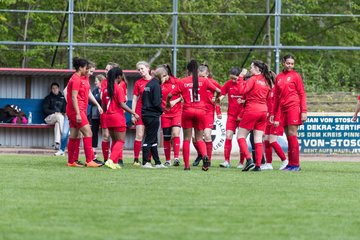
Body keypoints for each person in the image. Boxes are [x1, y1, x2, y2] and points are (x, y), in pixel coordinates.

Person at [166, 60, 221, 171]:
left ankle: (187, 166)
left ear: (188, 71)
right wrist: (217, 100)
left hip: (187, 111)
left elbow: (170, 94)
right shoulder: (204, 81)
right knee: (200, 138)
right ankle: (205, 156)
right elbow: (218, 90)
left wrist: (168, 103)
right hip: (201, 111)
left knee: (187, 139)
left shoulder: (183, 81)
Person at [271, 54, 307, 171]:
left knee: (292, 135)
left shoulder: (296, 76)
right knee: (288, 136)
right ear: (283, 63)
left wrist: (303, 111)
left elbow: (302, 93)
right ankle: (290, 164)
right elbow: (276, 97)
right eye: (288, 63)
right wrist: (273, 113)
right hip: (283, 109)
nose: (290, 65)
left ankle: (296, 164)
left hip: (293, 107)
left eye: (292, 63)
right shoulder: (279, 77)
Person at [66, 57, 103, 167]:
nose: (89, 72)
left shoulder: (83, 78)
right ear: (82, 68)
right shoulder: (76, 79)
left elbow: (87, 93)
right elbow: (73, 97)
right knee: (88, 133)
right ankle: (89, 160)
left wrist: (97, 104)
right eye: (88, 69)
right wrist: (77, 113)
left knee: (74, 135)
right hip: (77, 110)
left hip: (77, 109)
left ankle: (71, 161)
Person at [237, 60, 272, 172]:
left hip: (252, 109)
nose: (250, 69)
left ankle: (249, 160)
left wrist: (241, 77)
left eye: (251, 67)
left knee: (240, 136)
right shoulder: (266, 81)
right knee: (257, 138)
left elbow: (242, 90)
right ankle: (258, 165)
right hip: (263, 110)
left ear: (257, 68)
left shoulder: (253, 79)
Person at [102, 67, 139, 169]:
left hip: (108, 117)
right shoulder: (119, 88)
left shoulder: (105, 90)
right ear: (119, 77)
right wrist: (133, 113)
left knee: (114, 140)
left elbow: (104, 106)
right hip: (117, 117)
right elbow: (122, 104)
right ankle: (110, 160)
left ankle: (113, 162)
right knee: (121, 141)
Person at [192, 64, 222, 167]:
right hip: (197, 111)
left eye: (203, 77)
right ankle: (201, 154)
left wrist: (217, 102)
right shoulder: (195, 83)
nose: (202, 79)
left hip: (208, 112)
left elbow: (221, 93)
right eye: (200, 77)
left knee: (207, 135)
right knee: (194, 138)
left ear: (207, 74)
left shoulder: (213, 83)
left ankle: (207, 160)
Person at [218, 67, 247, 168]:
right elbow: (222, 94)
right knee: (228, 136)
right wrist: (218, 99)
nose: (233, 81)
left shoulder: (245, 84)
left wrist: (243, 102)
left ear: (239, 76)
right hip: (231, 115)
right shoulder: (228, 84)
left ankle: (241, 162)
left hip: (242, 116)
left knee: (241, 138)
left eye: (235, 78)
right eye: (231, 78)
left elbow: (248, 99)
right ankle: (226, 161)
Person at [141, 66, 167, 169]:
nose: (165, 79)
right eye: (165, 77)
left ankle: (157, 162)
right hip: (152, 115)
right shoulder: (156, 85)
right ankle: (145, 162)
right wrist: (162, 110)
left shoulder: (149, 84)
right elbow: (156, 102)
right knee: (149, 139)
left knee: (154, 140)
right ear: (162, 75)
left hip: (146, 114)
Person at [262, 71, 288, 170]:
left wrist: (277, 118)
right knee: (266, 141)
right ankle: (269, 163)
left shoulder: (278, 90)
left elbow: (280, 106)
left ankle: (285, 161)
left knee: (272, 141)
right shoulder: (270, 90)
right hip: (269, 119)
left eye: (265, 80)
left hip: (277, 119)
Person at [160, 64, 182, 167]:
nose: (162, 79)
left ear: (166, 74)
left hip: (177, 112)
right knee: (167, 137)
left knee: (175, 134)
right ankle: (168, 160)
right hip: (165, 113)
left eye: (163, 77)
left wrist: (175, 101)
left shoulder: (177, 81)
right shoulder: (158, 83)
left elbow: (183, 95)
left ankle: (176, 158)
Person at [131, 61, 152, 166]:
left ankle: (148, 158)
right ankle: (136, 159)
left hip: (151, 112)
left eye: (142, 68)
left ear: (148, 68)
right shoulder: (138, 83)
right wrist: (133, 113)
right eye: (139, 70)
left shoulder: (155, 81)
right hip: (140, 111)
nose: (140, 71)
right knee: (139, 135)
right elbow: (134, 99)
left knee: (150, 135)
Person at [100, 62, 119, 163]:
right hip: (106, 112)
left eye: (107, 70)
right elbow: (102, 96)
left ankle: (115, 159)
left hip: (117, 113)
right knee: (106, 136)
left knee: (116, 137)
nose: (105, 71)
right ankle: (106, 159)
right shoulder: (104, 82)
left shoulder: (120, 82)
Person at [43, 82, 67, 150]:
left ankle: (57, 144)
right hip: (49, 118)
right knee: (59, 116)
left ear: (59, 89)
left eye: (56, 88)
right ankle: (65, 135)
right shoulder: (48, 98)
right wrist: (55, 112)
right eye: (53, 88)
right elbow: (45, 110)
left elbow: (64, 110)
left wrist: (63, 113)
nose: (54, 89)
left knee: (57, 124)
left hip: (59, 119)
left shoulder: (62, 98)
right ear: (51, 89)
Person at [90, 74, 105, 155]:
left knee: (105, 133)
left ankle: (106, 151)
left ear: (101, 81)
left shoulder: (105, 90)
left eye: (96, 81)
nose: (95, 82)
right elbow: (89, 101)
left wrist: (95, 99)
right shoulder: (94, 90)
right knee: (94, 132)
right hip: (94, 115)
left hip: (103, 115)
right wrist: (97, 99)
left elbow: (103, 100)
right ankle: (93, 151)